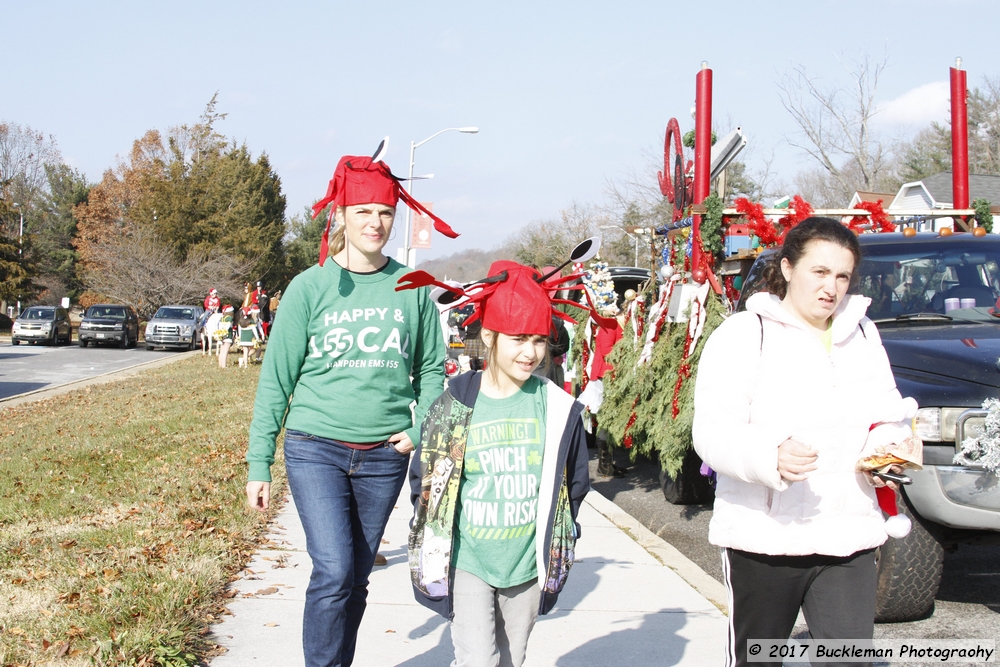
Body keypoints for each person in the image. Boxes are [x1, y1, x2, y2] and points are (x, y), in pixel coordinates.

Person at [245, 146, 457, 667]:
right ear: (341, 215)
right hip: (315, 447)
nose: (376, 223)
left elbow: (432, 369)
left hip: (384, 455)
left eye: (386, 212)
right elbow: (277, 379)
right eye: (364, 212)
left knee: (358, 575)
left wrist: (422, 427)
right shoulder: (309, 287)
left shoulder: (412, 288)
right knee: (334, 569)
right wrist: (259, 462)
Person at [692, 218, 917, 667]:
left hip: (847, 536)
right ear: (789, 267)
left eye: (842, 276)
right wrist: (767, 455)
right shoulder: (744, 334)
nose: (831, 287)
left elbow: (887, 414)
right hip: (766, 539)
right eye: (819, 272)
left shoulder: (863, 333)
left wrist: (892, 449)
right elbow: (713, 431)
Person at [406, 260, 591, 667]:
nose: (530, 353)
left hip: (525, 562)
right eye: (519, 339)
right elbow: (425, 476)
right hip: (468, 557)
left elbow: (575, 483)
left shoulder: (558, 409)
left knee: (511, 659)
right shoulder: (454, 404)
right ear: (489, 336)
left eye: (539, 341)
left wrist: (560, 532)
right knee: (478, 661)